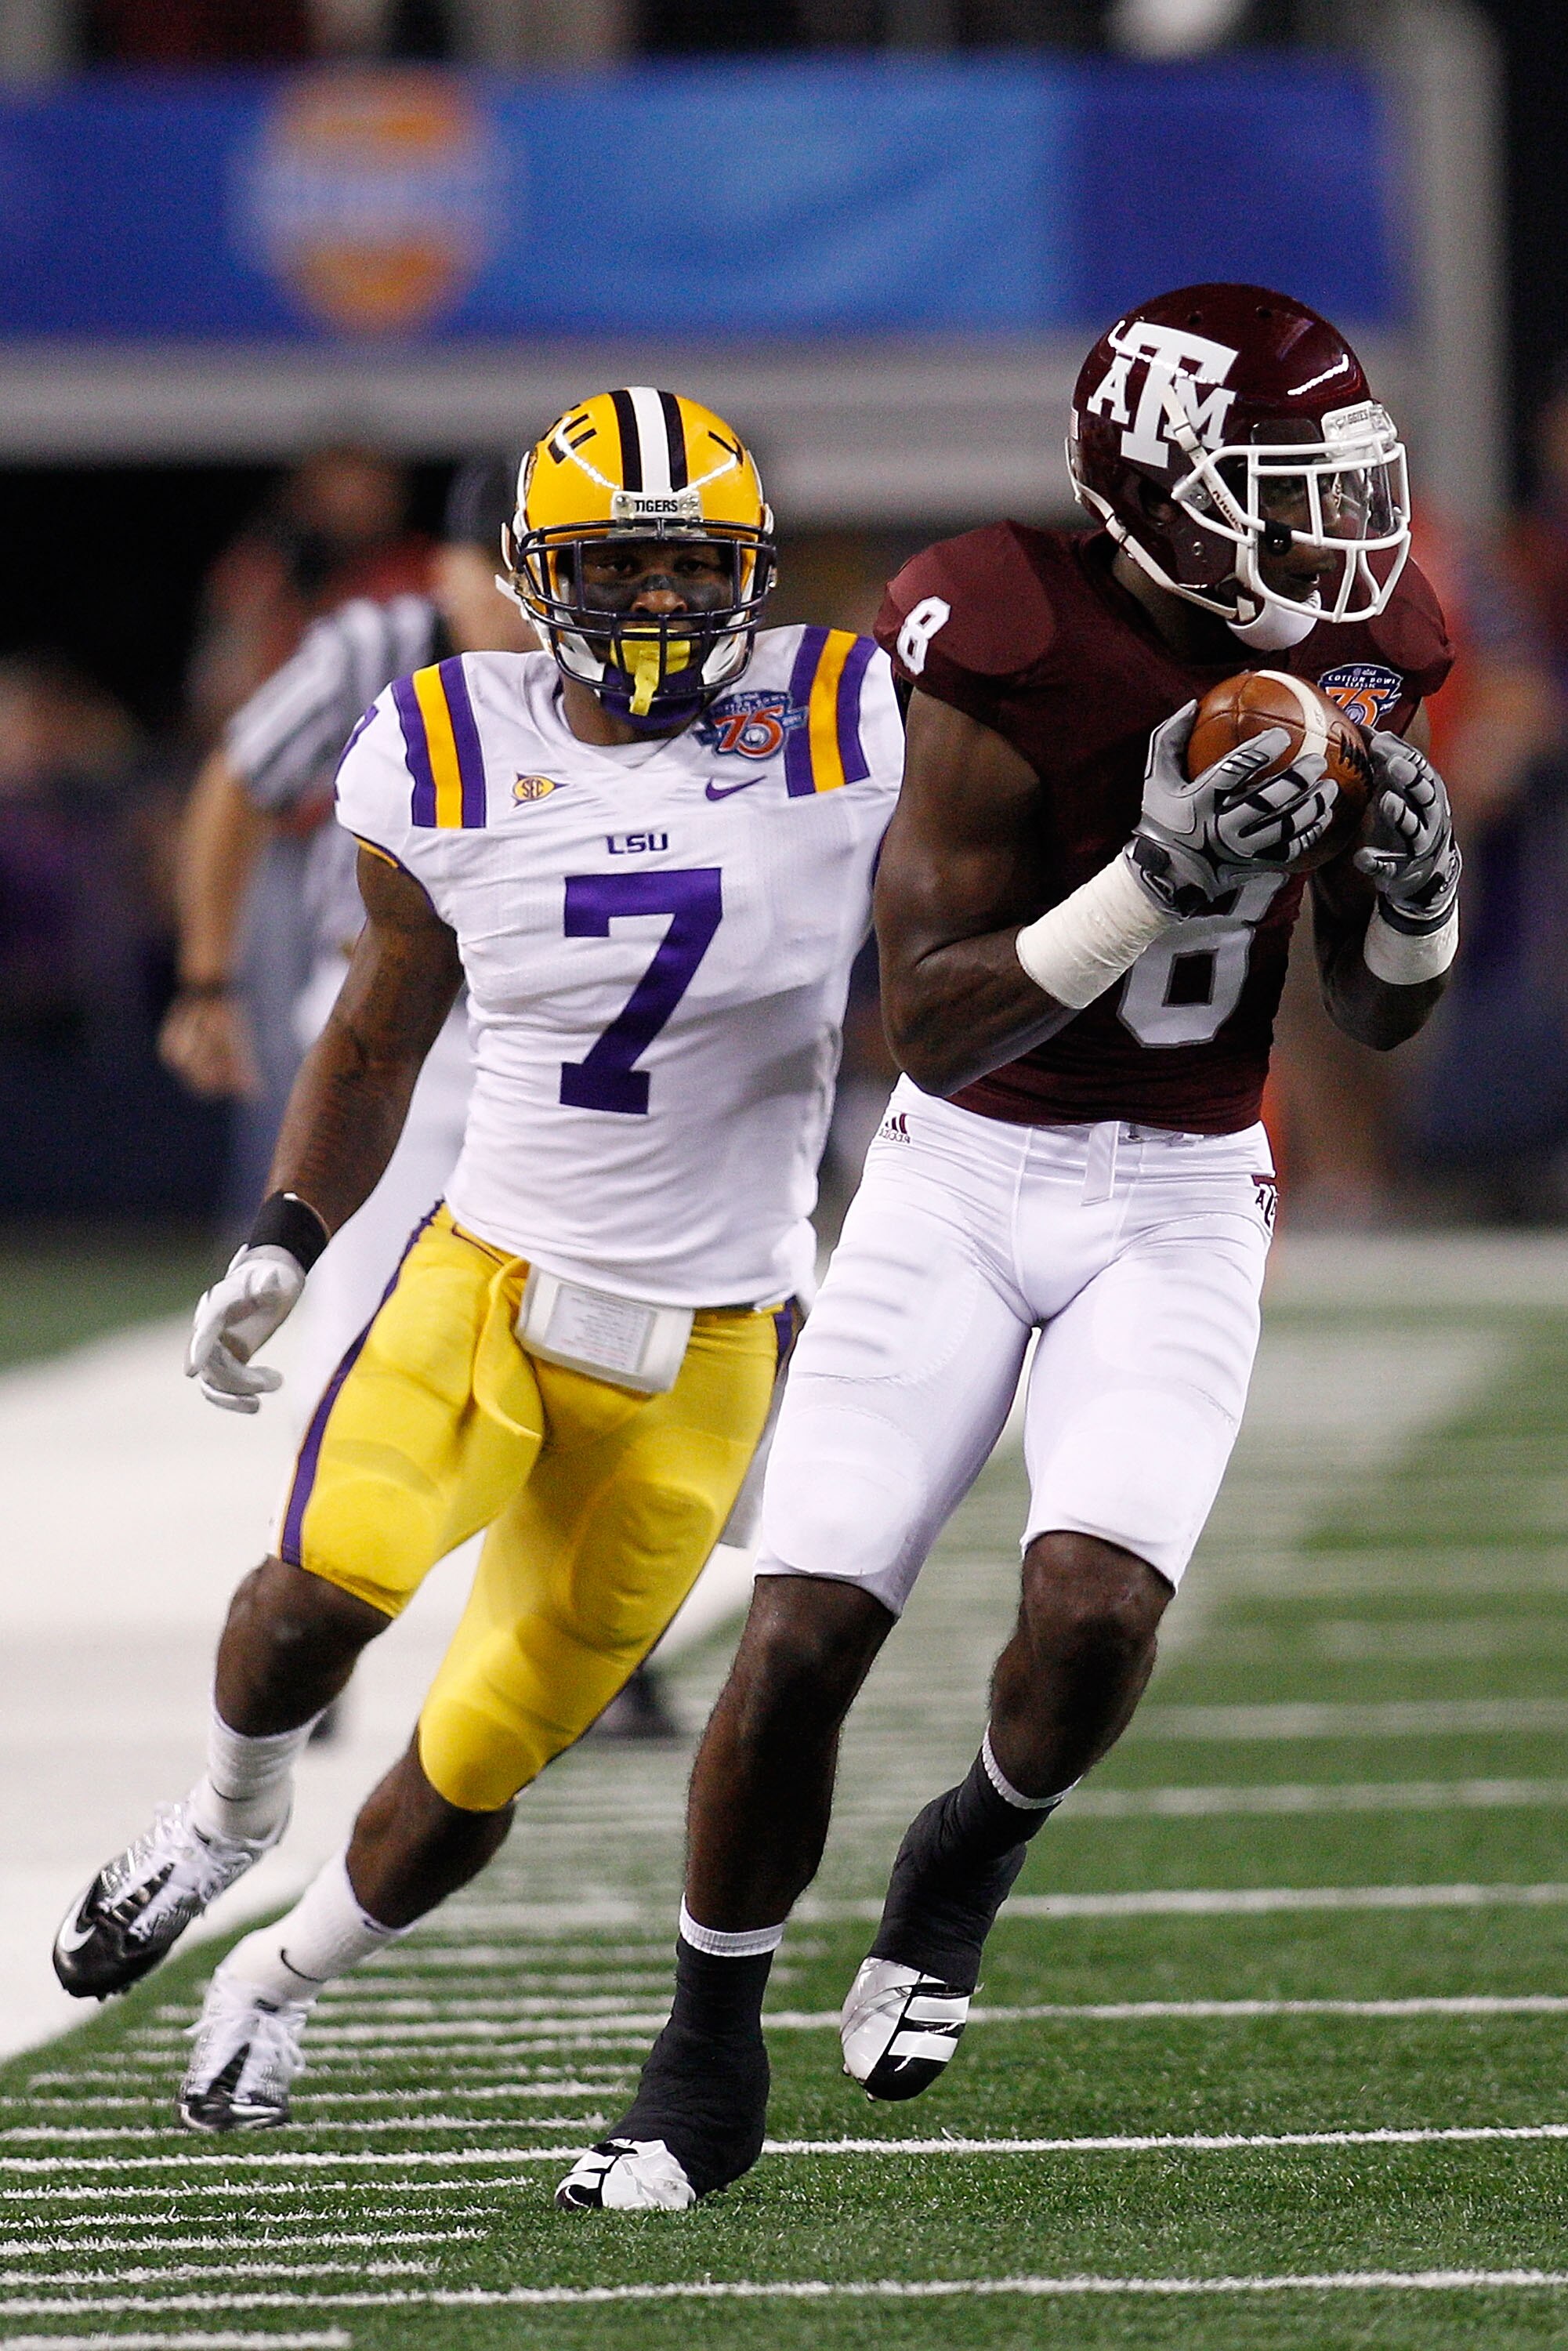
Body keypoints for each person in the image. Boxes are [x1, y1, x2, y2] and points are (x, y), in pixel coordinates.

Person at [556, 284, 1462, 2212]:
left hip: (1183, 1177)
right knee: (801, 1629)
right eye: (1274, 495)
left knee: (1093, 1613)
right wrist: (1148, 879)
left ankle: (968, 1844)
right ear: (1149, 496)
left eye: (1333, 491)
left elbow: (1367, 1021)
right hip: (965, 1163)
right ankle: (700, 2040)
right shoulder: (998, 626)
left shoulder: (1373, 644)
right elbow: (933, 1018)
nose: (1327, 544)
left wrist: (1406, 919)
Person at [51, 389, 904, 2138]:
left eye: (692, 568)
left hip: (717, 1336)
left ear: (750, 574)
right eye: (618, 567)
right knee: (320, 1591)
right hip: (492, 1277)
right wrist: (288, 1237)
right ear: (534, 574)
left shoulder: (844, 714)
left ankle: (272, 1980)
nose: (660, 604)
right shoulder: (441, 734)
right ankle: (222, 1818)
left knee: (485, 1753)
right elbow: (374, 1035)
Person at [158, 458, 529, 1411]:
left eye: (523, 571)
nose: (509, 602)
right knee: (369, 1315)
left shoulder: (596, 668)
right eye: (484, 571)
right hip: (384, 1002)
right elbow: (238, 782)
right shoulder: (376, 649)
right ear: (439, 570)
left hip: (541, 1018)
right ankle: (337, 1512)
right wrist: (207, 980)